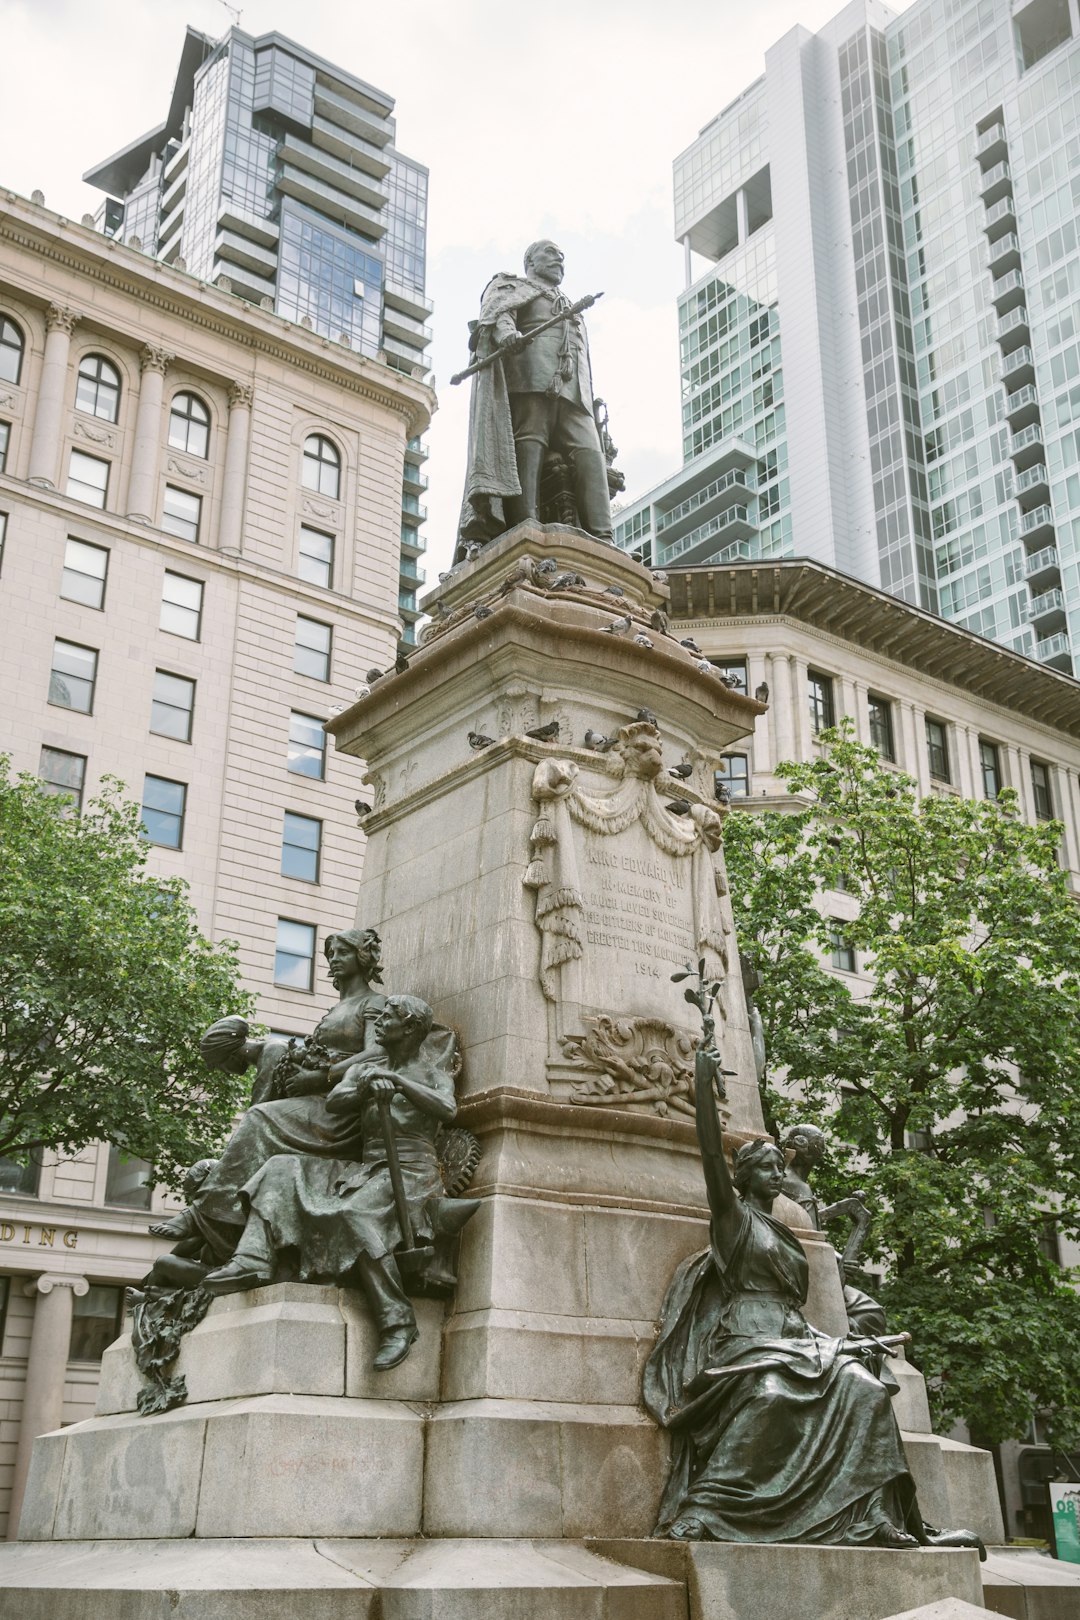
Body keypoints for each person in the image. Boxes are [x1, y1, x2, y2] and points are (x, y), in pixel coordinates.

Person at [643, 1062, 981, 1550]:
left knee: (864, 1387)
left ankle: (872, 1516)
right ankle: (704, 1507)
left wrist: (838, 1341)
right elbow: (712, 1153)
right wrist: (700, 1080)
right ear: (744, 1178)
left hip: (796, 1338)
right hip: (746, 1339)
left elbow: (796, 1309)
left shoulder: (786, 1231)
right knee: (770, 1394)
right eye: (767, 1167)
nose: (779, 1173)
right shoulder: (733, 1222)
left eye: (781, 1166)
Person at [203, 996, 476, 1370]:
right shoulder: (368, 1067)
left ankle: (398, 1322)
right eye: (378, 1015)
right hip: (366, 1169)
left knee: (357, 1216)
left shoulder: (430, 1072)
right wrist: (366, 1087)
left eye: (388, 1016)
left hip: (411, 1173)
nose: (378, 1021)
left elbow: (447, 1108)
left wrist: (397, 1083)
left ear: (410, 1028)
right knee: (280, 1168)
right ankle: (252, 1259)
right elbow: (336, 1101)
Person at [150, 928, 386, 1259]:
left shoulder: (374, 1004)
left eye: (342, 953)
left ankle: (201, 1215)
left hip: (340, 1112)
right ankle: (222, 1227)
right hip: (316, 1104)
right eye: (330, 954)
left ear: (362, 958)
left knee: (260, 1117)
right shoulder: (337, 1008)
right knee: (260, 1115)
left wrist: (319, 1077)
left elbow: (378, 1054)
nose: (333, 960)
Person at [457, 240, 612, 548]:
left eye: (563, 258)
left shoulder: (568, 303)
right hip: (530, 378)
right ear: (530, 260)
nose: (559, 261)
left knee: (591, 454)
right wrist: (507, 334)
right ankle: (523, 526)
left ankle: (603, 538)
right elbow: (497, 315)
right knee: (529, 446)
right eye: (551, 255)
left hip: (574, 390)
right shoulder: (512, 285)